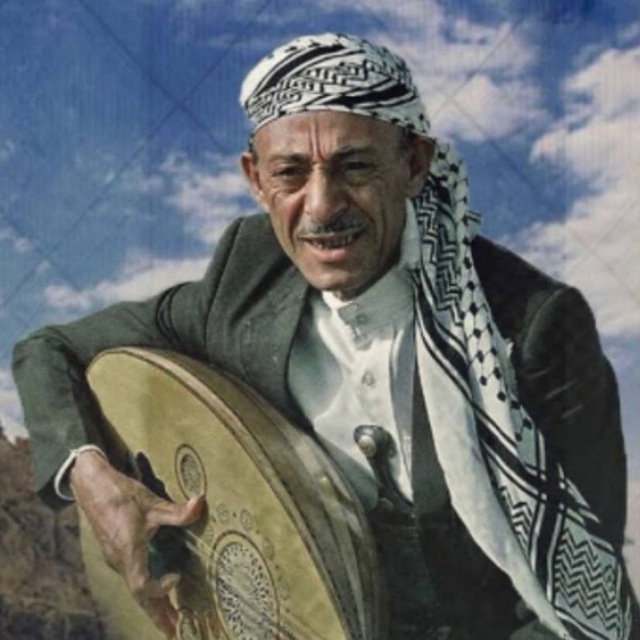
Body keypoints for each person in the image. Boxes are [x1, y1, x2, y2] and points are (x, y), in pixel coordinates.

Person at [12, 33, 638, 640]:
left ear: (414, 163)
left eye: (354, 166)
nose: (321, 206)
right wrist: (93, 479)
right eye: (290, 173)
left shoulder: (534, 328)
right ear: (256, 179)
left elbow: (577, 607)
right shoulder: (244, 279)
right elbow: (50, 350)